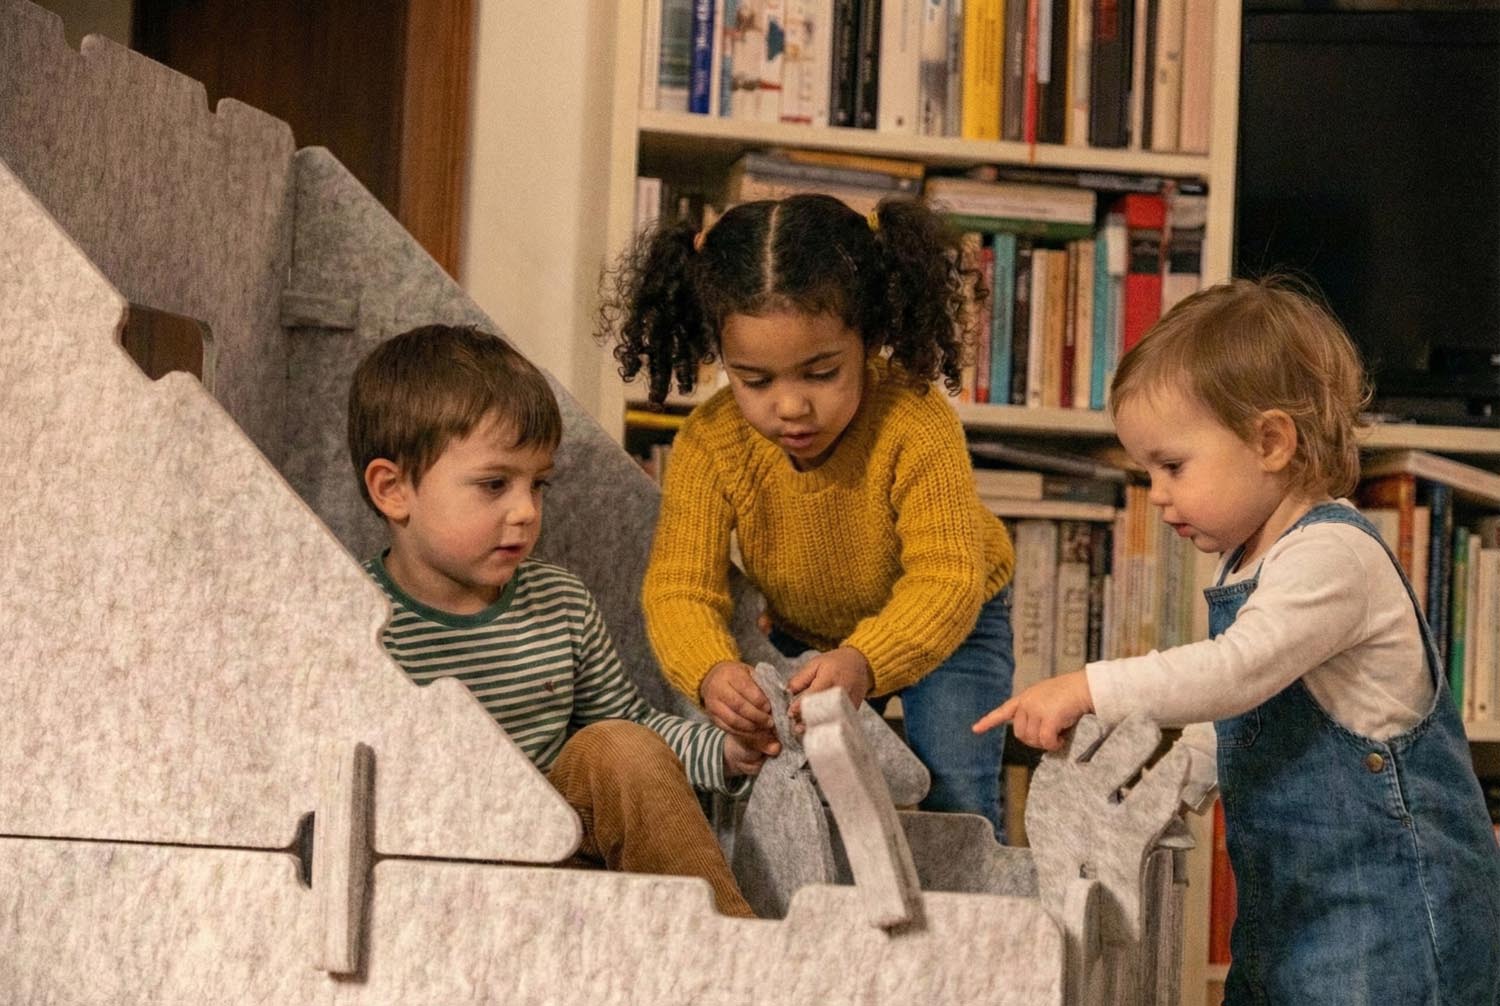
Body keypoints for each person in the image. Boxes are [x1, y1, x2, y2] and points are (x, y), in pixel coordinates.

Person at [974, 278, 1500, 1003]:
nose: (1156, 494)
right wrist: (1172, 782)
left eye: (1173, 466)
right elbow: (1242, 721)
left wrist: (1090, 685)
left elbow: (1235, 673)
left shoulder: (1332, 558)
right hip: (1295, 916)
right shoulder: (1254, 558)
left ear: (1271, 441)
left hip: (1391, 923)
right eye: (1146, 471)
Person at [598, 193, 1017, 838]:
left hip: (954, 621)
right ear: (721, 360)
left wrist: (867, 660)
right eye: (755, 381)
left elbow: (947, 577)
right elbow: (680, 587)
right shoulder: (710, 442)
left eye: (821, 373)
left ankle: (968, 932)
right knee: (803, 791)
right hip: (809, 630)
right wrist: (711, 669)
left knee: (955, 788)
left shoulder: (915, 420)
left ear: (870, 337)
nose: (790, 407)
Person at [347, 323, 762, 918]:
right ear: (394, 490)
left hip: (560, 857)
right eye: (494, 485)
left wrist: (726, 753)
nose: (525, 511)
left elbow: (635, 732)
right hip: (432, 878)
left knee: (617, 746)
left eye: (537, 485)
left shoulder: (559, 599)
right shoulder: (358, 621)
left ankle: (736, 954)